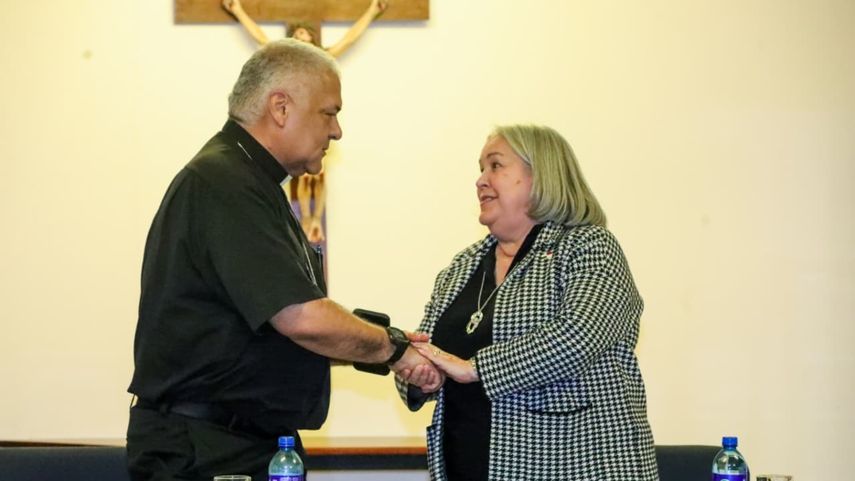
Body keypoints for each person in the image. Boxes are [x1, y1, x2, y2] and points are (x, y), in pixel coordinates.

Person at [126, 38, 441, 481]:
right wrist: (394, 351)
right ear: (280, 108)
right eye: (329, 112)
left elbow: (273, 332)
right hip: (206, 448)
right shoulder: (224, 183)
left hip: (236, 443)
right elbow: (301, 319)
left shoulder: (250, 183)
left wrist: (380, 342)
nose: (337, 131)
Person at [395, 125, 659, 480]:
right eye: (480, 168)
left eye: (496, 166)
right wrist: (416, 372)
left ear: (541, 176)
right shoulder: (461, 267)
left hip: (576, 466)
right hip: (466, 463)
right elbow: (430, 347)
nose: (480, 180)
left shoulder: (590, 246)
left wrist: (475, 368)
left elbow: (578, 337)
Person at [222, 0, 389, 244]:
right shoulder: (281, 62)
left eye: (306, 39)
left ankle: (313, 221)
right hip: (290, 138)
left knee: (318, 177)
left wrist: (372, 11)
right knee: (297, 175)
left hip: (310, 137)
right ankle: (304, 221)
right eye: (297, 40)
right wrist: (238, 10)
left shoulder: (323, 63)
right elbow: (260, 37)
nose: (302, 43)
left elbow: (349, 39)